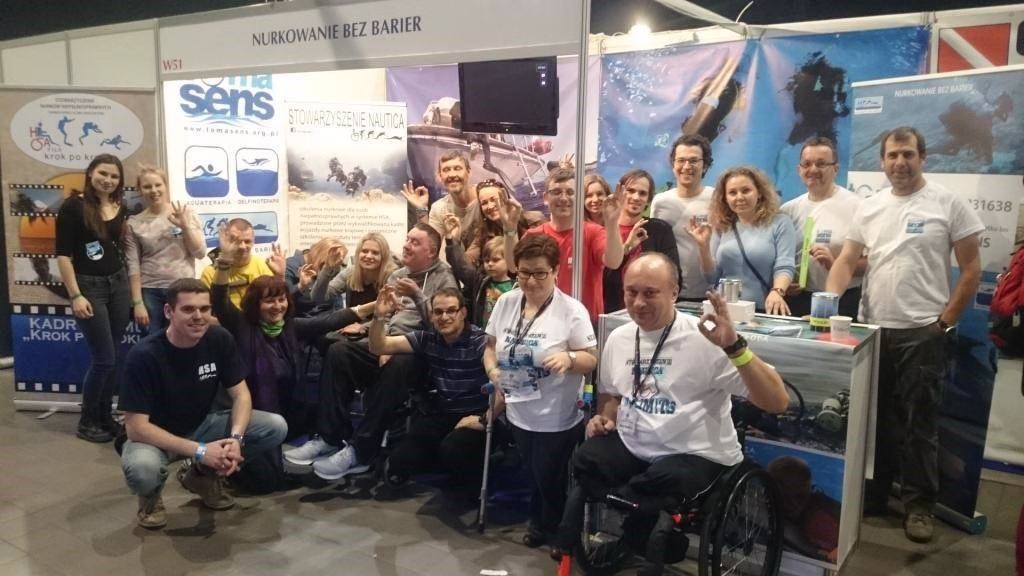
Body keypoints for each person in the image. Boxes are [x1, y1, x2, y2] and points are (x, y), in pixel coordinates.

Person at [551, 254, 788, 576]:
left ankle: (650, 542)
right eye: (631, 292)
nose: (638, 303)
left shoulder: (706, 338)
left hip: (695, 453)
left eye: (650, 293)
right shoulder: (620, 339)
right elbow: (611, 396)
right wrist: (607, 416)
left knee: (665, 481)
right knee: (586, 458)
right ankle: (601, 541)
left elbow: (777, 401)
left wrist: (734, 347)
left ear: (674, 293)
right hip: (637, 447)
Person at [827, 126, 982, 543]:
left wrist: (944, 322)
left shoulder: (948, 203)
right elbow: (847, 260)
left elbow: (971, 269)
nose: (900, 162)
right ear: (882, 161)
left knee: (919, 424)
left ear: (922, 157)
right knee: (872, 421)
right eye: (892, 155)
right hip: (872, 330)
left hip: (922, 331)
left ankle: (919, 508)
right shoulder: (870, 207)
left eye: (908, 154)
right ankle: (875, 496)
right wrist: (828, 303)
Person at [285, 223, 459, 480]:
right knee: (339, 351)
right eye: (407, 239)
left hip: (420, 350)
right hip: (386, 341)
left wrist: (417, 296)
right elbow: (386, 315)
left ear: (431, 252)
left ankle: (362, 450)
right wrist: (376, 335)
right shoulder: (397, 275)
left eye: (415, 242)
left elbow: (442, 327)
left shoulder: (444, 277)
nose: (406, 245)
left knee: (397, 364)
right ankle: (330, 437)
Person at [118, 278, 288, 529]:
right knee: (143, 470)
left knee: (275, 426)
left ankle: (202, 477)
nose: (198, 316)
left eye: (205, 309)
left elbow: (241, 395)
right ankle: (150, 496)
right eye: (188, 309)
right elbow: (136, 428)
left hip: (202, 425)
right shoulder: (143, 356)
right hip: (154, 437)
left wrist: (236, 440)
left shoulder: (219, 339)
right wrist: (200, 451)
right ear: (168, 311)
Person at [484, 234, 599, 548]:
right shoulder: (506, 302)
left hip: (556, 413)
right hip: (518, 407)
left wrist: (569, 358)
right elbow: (490, 347)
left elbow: (591, 358)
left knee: (549, 474)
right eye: (523, 273)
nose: (531, 281)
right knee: (534, 473)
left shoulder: (571, 310)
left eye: (539, 273)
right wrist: (493, 371)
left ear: (556, 271)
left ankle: (556, 529)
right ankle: (542, 523)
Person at [368, 286, 505, 488]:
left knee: (454, 452)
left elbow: (502, 384)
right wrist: (379, 317)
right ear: (431, 315)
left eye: (451, 311)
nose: (444, 317)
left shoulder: (481, 341)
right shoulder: (427, 338)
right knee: (401, 459)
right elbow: (378, 346)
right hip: (443, 414)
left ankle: (488, 463)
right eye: (438, 312)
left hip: (478, 417)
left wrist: (484, 420)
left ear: (463, 313)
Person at [211, 267, 375, 428]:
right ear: (255, 304)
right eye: (269, 301)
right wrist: (224, 263)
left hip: (288, 410)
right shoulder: (242, 325)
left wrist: (376, 305)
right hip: (250, 414)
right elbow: (219, 300)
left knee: (326, 413)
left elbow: (328, 321)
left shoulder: (290, 326)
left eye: (281, 299)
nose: (278, 306)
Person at [56, 154, 130, 443]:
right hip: (90, 288)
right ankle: (87, 420)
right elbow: (63, 256)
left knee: (113, 357)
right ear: (90, 174)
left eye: (114, 176)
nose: (108, 180)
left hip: (119, 285)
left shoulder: (121, 206)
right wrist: (76, 295)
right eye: (103, 173)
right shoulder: (73, 207)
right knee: (104, 359)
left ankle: (104, 416)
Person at [520, 167, 626, 323]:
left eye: (570, 192)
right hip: (543, 320)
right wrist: (509, 230)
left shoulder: (594, 232)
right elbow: (513, 267)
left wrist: (612, 222)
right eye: (556, 192)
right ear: (546, 198)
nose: (564, 198)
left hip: (585, 322)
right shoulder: (533, 235)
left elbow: (614, 261)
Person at [691, 166, 796, 315]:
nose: (739, 197)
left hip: (763, 310)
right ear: (725, 198)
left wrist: (777, 291)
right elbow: (711, 277)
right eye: (732, 193)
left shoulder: (780, 223)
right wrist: (703, 247)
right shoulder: (721, 225)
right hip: (724, 310)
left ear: (759, 192)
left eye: (746, 190)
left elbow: (785, 265)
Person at [780, 137, 864, 317]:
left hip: (843, 300)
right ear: (799, 169)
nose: (813, 170)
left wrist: (835, 263)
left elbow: (870, 263)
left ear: (836, 169)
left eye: (821, 164)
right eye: (807, 164)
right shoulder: (788, 210)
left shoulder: (858, 207)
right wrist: (788, 282)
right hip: (798, 300)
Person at [124, 166, 207, 336]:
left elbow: (200, 253)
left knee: (184, 337)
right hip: (150, 291)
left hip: (183, 289)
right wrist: (137, 302)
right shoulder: (134, 223)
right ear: (140, 190)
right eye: (147, 187)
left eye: (158, 185)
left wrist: (185, 226)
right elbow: (133, 265)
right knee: (152, 341)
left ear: (165, 185)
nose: (153, 190)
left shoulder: (185, 212)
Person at [603, 169, 681, 313]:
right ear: (620, 193)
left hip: (650, 312)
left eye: (642, 193)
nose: (636, 197)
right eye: (631, 191)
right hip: (610, 311)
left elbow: (673, 276)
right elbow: (601, 278)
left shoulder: (660, 230)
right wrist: (627, 248)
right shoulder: (604, 229)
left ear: (649, 200)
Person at [650, 134, 716, 302]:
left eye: (693, 161)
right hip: (670, 292)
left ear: (705, 165)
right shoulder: (660, 201)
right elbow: (655, 248)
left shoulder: (717, 198)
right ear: (673, 165)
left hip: (711, 292)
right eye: (681, 160)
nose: (687, 166)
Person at [445, 213, 516, 328]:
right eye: (487, 260)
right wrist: (450, 239)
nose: (490, 264)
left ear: (508, 260)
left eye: (496, 260)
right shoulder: (480, 281)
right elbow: (461, 266)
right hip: (481, 334)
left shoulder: (516, 286)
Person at [402, 150, 480, 247]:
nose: (452, 174)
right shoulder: (439, 208)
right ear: (440, 176)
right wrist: (421, 209)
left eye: (457, 168)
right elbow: (431, 246)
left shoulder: (485, 197)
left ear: (469, 172)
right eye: (446, 170)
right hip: (455, 255)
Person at [199, 219, 274, 308]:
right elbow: (207, 311)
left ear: (254, 241)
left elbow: (273, 304)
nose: (242, 247)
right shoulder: (209, 273)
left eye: (247, 241)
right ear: (225, 241)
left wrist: (280, 275)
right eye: (236, 241)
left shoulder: (263, 266)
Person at [462, 179, 529, 267]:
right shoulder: (483, 233)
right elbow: (465, 263)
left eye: (494, 199)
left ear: (505, 199)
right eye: (484, 203)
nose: (490, 206)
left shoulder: (531, 220)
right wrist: (451, 241)